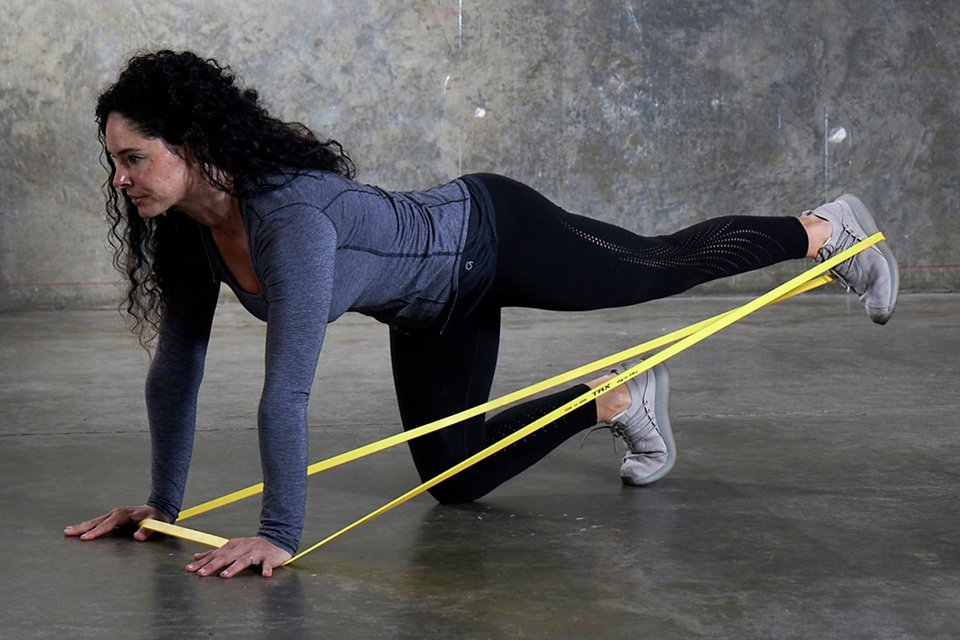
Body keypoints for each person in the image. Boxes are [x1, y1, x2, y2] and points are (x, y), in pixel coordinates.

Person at [64, 50, 899, 578]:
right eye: (114, 162)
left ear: (195, 146)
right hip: (431, 309)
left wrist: (280, 534)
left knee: (656, 266)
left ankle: (823, 230)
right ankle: (618, 398)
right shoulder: (188, 229)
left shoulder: (292, 220)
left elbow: (286, 392)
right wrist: (163, 508)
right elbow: (178, 367)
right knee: (456, 481)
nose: (121, 180)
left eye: (134, 158)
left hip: (494, 234)